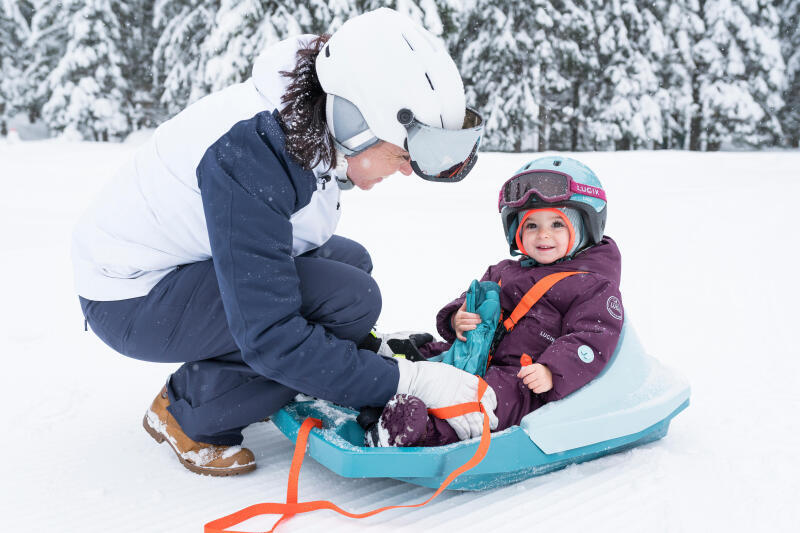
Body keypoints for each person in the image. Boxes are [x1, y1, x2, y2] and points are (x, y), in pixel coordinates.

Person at [71, 8, 497, 476]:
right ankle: (191, 411)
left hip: (168, 270)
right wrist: (408, 381)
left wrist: (361, 355)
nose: (404, 170)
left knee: (351, 268)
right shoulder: (252, 156)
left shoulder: (312, 113)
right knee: (346, 304)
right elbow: (270, 337)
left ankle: (232, 383)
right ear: (357, 124)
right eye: (400, 155)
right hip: (132, 299)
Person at [365, 156, 625, 448]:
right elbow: (472, 297)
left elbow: (592, 337)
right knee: (429, 354)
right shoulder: (504, 270)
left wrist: (552, 370)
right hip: (475, 353)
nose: (543, 235)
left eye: (556, 223)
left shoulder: (591, 285)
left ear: (585, 227)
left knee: (488, 402)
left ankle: (421, 428)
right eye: (531, 226)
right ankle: (372, 367)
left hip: (522, 376)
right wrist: (457, 318)